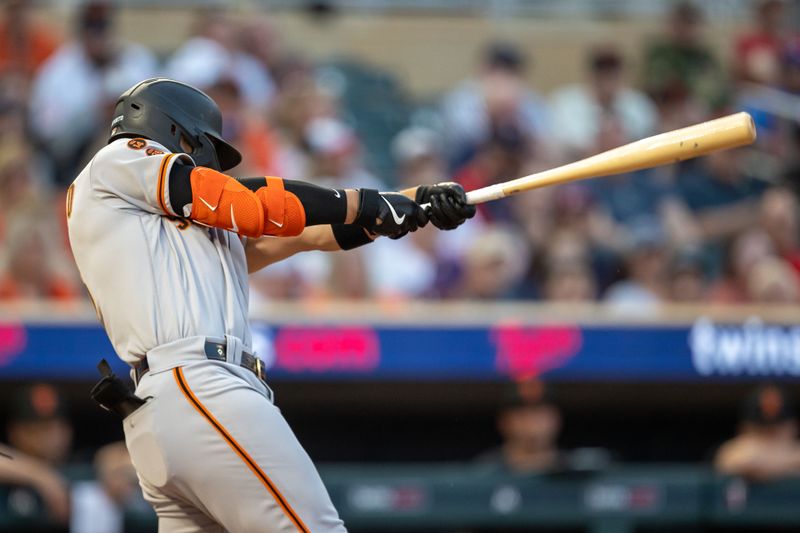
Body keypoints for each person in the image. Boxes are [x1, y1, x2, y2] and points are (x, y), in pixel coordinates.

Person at [66, 77, 475, 532]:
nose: (214, 165)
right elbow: (255, 203)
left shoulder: (164, 225)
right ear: (178, 132)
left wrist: (409, 205)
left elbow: (299, 234)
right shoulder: (120, 160)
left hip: (166, 409)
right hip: (198, 386)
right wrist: (364, 202)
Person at [28, 1, 158, 186]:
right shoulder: (58, 68)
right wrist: (93, 112)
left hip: (127, 143)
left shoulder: (134, 59)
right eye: (92, 27)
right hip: (71, 154)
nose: (97, 35)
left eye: (102, 26)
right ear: (81, 30)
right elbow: (47, 131)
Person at [0, 383, 73, 524]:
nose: (53, 436)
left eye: (58, 426)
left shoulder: (85, 465)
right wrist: (41, 475)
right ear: (15, 431)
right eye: (41, 427)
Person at [715, 384, 800, 480]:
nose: (770, 438)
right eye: (763, 431)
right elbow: (734, 462)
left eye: (775, 430)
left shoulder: (796, 450)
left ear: (793, 426)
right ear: (744, 427)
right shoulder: (735, 449)